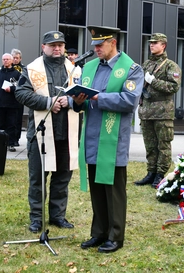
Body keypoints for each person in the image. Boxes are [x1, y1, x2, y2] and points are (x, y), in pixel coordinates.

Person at [73, 26, 143, 253]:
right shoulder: (90, 67)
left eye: (99, 45)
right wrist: (77, 100)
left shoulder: (131, 69)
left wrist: (96, 96)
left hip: (113, 141)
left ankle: (115, 236)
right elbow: (83, 104)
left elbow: (129, 100)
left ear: (112, 42)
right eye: (94, 45)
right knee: (97, 189)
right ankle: (99, 232)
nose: (95, 49)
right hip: (92, 138)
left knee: (113, 191)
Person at [15, 31, 81, 233]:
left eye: (60, 45)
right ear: (43, 47)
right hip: (41, 134)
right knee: (38, 179)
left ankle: (58, 216)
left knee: (62, 177)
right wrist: (47, 102)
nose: (57, 48)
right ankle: (36, 218)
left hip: (67, 133)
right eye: (52, 45)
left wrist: (70, 101)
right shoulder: (32, 69)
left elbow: (82, 95)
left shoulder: (74, 70)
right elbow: (21, 93)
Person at [134, 33, 181, 188]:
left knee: (163, 145)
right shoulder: (146, 64)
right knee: (150, 145)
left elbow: (173, 87)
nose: (152, 45)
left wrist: (153, 81)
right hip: (146, 111)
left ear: (163, 45)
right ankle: (151, 172)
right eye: (151, 43)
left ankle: (160, 174)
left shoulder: (170, 65)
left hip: (162, 112)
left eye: (156, 43)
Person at [0, 53, 21, 152]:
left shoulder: (17, 74)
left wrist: (11, 89)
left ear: (11, 61)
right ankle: (0, 144)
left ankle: (11, 144)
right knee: (1, 125)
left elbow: (21, 87)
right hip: (0, 103)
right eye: (4, 59)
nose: (5, 61)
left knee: (11, 125)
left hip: (12, 104)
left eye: (7, 59)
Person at [11, 49, 25, 147]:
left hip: (19, 97)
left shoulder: (24, 69)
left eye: (17, 58)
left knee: (18, 119)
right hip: (9, 97)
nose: (15, 60)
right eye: (14, 58)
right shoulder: (7, 67)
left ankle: (16, 138)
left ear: (20, 59)